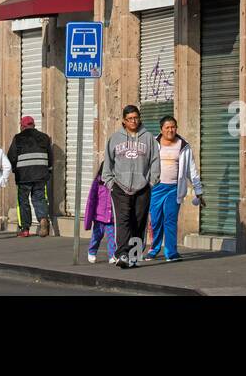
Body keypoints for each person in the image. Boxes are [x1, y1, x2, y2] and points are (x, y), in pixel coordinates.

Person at [103, 105, 160, 268]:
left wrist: (152, 181)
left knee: (139, 221)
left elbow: (155, 160)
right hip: (120, 187)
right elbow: (108, 162)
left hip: (143, 187)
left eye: (136, 118)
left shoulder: (148, 137)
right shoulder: (115, 138)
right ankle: (121, 254)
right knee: (123, 220)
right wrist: (110, 182)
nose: (133, 121)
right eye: (130, 119)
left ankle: (134, 255)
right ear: (124, 121)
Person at [145, 116, 204, 262]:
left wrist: (198, 190)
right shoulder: (153, 143)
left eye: (173, 127)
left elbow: (191, 169)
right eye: (167, 127)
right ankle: (154, 248)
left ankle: (171, 252)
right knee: (156, 220)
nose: (170, 130)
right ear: (161, 129)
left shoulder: (184, 145)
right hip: (156, 188)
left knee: (170, 220)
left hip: (174, 189)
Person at [6, 116, 54, 237]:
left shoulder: (18, 138)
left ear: (22, 126)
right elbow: (50, 156)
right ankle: (43, 218)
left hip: (24, 176)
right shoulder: (44, 137)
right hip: (40, 174)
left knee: (23, 201)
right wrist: (48, 169)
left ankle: (25, 229)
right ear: (34, 125)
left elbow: (11, 156)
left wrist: (14, 169)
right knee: (39, 198)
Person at [84, 158, 117, 264]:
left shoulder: (116, 183)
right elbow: (91, 200)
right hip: (99, 217)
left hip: (111, 217)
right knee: (96, 236)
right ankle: (92, 251)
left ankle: (112, 255)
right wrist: (89, 218)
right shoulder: (97, 183)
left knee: (112, 237)